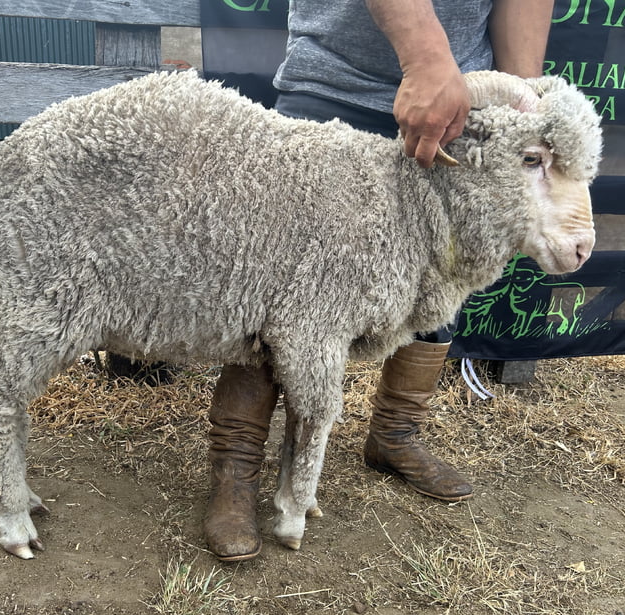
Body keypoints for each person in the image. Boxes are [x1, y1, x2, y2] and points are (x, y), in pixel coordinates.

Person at [204, 0, 555, 562]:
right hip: (336, 81)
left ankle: (394, 436)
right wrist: (425, 60)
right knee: (279, 282)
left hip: (467, 101)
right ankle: (237, 467)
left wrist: (522, 104)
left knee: (443, 270)